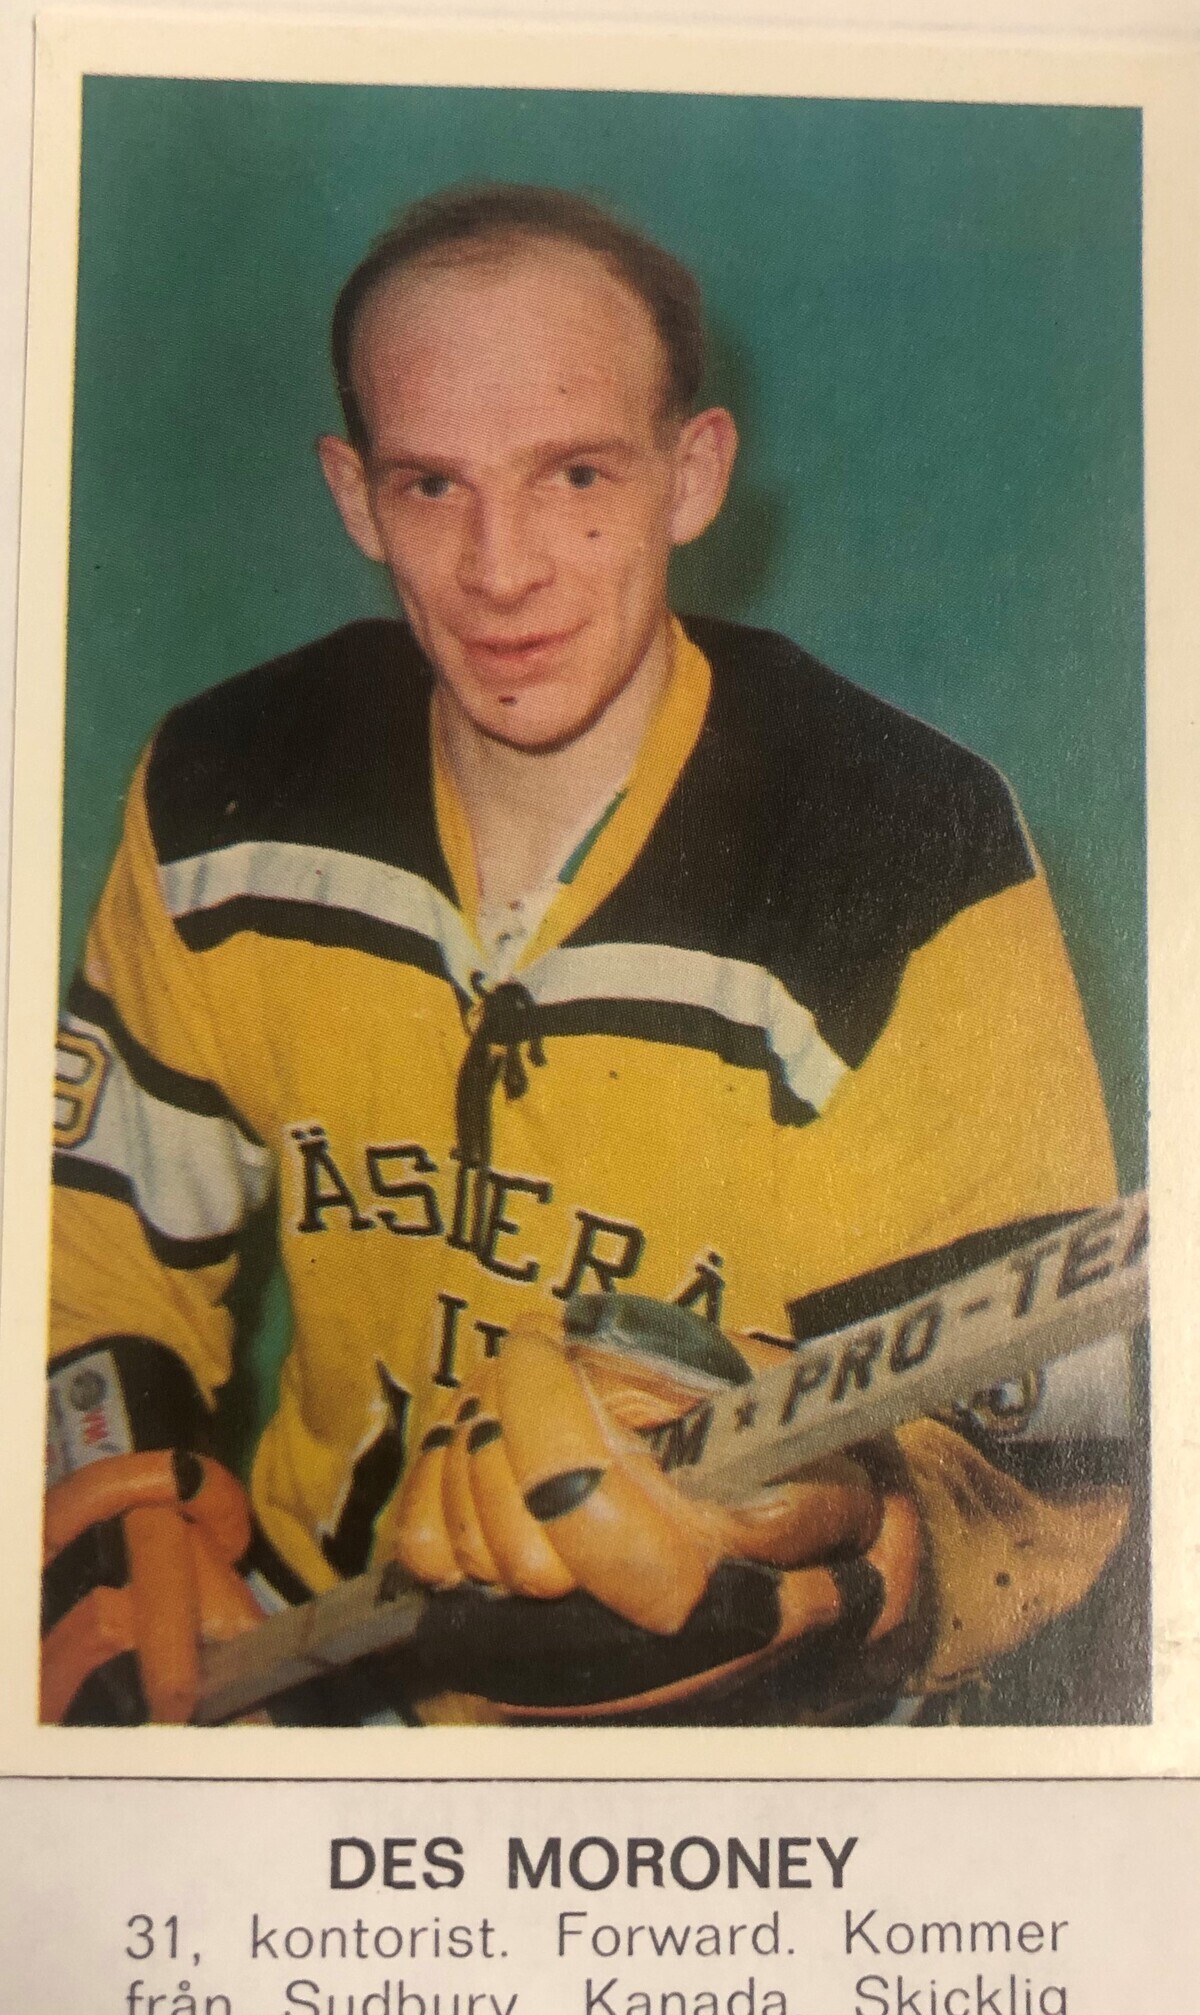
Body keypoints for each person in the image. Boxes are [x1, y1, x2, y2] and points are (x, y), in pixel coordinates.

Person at [42, 184, 1132, 1729]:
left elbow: (1048, 1460)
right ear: (355, 497)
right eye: (433, 484)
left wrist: (850, 1551)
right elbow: (89, 1247)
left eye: (575, 475)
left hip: (743, 1746)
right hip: (307, 1662)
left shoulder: (902, 843)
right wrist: (104, 1499)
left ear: (694, 475)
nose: (503, 568)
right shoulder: (226, 784)